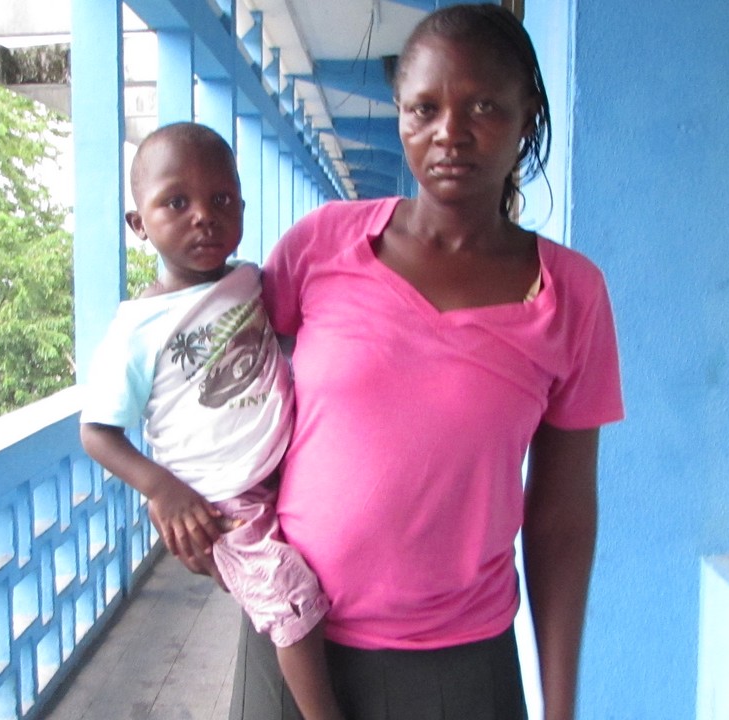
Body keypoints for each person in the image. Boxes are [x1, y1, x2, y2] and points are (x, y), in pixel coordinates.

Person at [208, 5, 625, 720]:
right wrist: (166, 487)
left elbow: (561, 519)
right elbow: (219, 376)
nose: (449, 134)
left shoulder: (569, 295)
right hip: (293, 648)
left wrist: (561, 708)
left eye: (484, 107)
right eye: (424, 108)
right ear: (399, 114)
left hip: (458, 666)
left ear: (529, 116)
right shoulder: (322, 246)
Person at [78, 122, 345, 720]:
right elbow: (97, 432)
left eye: (221, 200)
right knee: (289, 601)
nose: (203, 215)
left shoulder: (250, 281)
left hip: (293, 464)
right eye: (177, 202)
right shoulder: (135, 331)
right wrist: (163, 491)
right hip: (225, 497)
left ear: (243, 209)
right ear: (138, 224)